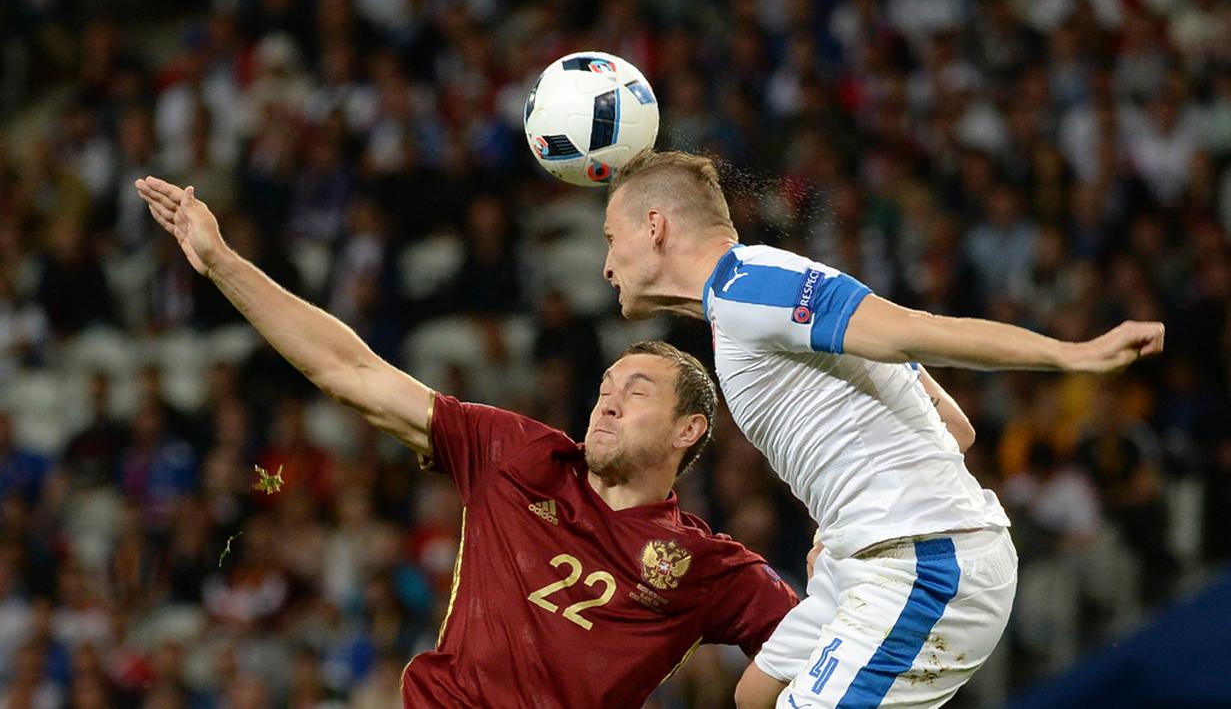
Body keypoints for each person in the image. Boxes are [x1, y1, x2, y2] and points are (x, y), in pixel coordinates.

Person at [133, 176, 799, 708]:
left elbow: (814, 650)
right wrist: (222, 264)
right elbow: (350, 372)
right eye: (604, 387)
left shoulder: (707, 567)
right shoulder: (517, 456)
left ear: (689, 430)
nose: (606, 402)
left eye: (637, 392)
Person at [599, 150, 1166, 709]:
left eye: (610, 238)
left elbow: (914, 330)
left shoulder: (751, 287)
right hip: (865, 553)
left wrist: (1071, 355)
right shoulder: (746, 301)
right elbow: (954, 427)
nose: (606, 266)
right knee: (754, 695)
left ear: (655, 227)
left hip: (922, 559)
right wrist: (841, 524)